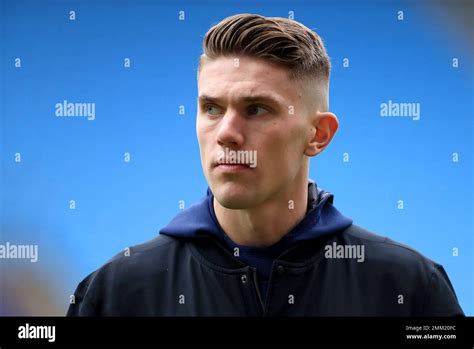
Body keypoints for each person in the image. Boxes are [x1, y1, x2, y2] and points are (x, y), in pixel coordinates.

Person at [67, 14, 464, 316]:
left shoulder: (409, 288)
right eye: (211, 108)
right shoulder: (115, 293)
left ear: (319, 135)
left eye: (256, 109)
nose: (227, 133)